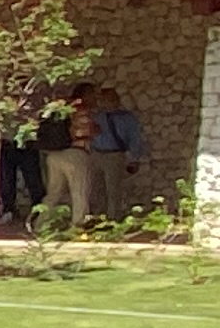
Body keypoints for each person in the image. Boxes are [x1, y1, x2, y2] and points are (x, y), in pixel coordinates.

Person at [87, 84, 147, 221]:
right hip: (97, 154)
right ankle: (98, 218)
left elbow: (134, 138)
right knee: (97, 190)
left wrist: (135, 158)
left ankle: (113, 219)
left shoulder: (126, 118)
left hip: (114, 155)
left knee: (113, 189)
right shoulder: (98, 117)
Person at [37, 90, 97, 226]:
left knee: (53, 194)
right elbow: (87, 131)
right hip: (75, 154)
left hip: (53, 156)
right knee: (79, 192)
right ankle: (79, 225)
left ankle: (40, 223)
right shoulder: (79, 110)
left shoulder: (54, 111)